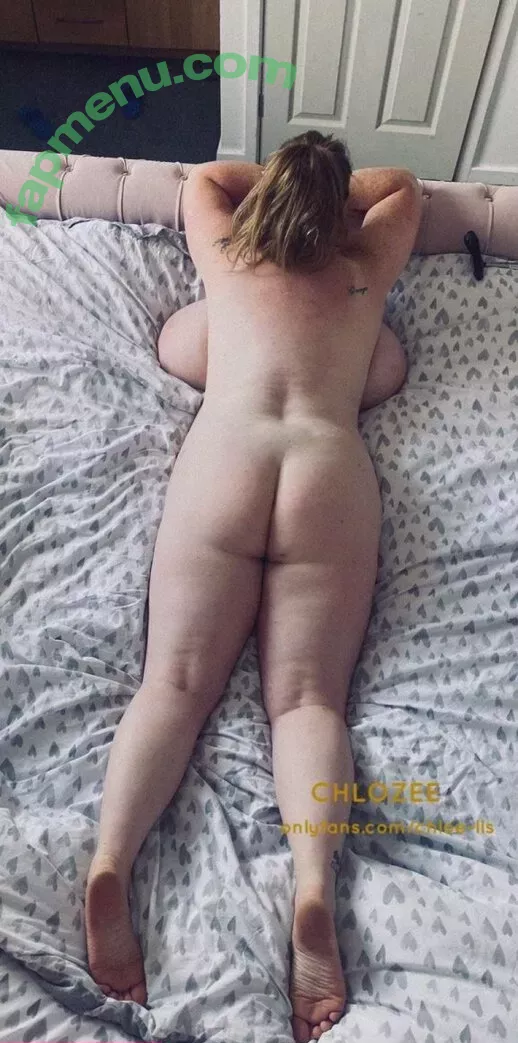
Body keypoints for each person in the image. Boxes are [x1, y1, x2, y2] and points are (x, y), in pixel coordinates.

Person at [85, 131, 422, 1042]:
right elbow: (405, 188)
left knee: (173, 684)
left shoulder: (226, 251)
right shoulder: (364, 269)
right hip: (326, 472)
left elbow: (208, 178)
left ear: (265, 200)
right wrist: (337, 200)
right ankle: (311, 890)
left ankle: (111, 860)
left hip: (223, 462)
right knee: (308, 699)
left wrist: (279, 184)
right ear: (341, 211)